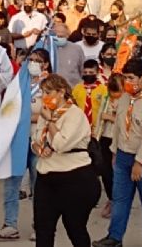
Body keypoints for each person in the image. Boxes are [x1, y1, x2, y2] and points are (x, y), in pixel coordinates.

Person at [94, 59, 142, 247]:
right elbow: (119, 125)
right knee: (120, 198)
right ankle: (115, 237)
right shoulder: (126, 97)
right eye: (126, 77)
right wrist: (114, 151)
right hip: (123, 154)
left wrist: (140, 162)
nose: (128, 82)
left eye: (131, 78)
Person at [31, 74, 101, 247]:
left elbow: (62, 143)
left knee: (74, 228)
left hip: (74, 177)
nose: (44, 97)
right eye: (42, 93)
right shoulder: (46, 112)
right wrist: (39, 148)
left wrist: (50, 122)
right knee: (43, 229)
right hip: (46, 176)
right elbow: (34, 138)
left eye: (48, 92)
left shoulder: (75, 115)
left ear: (61, 92)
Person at [0, 48, 46, 241]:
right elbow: (8, 110)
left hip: (39, 142)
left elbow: (53, 114)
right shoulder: (18, 83)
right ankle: (10, 224)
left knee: (39, 186)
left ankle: (40, 226)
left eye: (37, 60)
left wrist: (24, 117)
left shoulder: (51, 85)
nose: (32, 63)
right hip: (17, 140)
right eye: (30, 59)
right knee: (11, 183)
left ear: (45, 64)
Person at [96, 74, 125, 219]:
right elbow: (100, 117)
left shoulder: (128, 100)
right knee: (105, 172)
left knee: (118, 172)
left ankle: (119, 202)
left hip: (120, 140)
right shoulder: (107, 99)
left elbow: (126, 120)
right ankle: (112, 199)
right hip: (105, 138)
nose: (115, 96)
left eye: (118, 92)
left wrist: (110, 117)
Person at [72, 59, 107, 133]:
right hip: (80, 126)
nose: (88, 74)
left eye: (91, 72)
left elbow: (105, 108)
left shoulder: (103, 89)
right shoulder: (77, 88)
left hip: (97, 128)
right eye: (85, 72)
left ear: (97, 73)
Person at [53, 23, 85, 87]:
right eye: (56, 36)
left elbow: (82, 69)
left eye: (61, 36)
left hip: (73, 89)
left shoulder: (76, 48)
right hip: (53, 91)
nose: (58, 38)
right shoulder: (48, 49)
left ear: (67, 35)